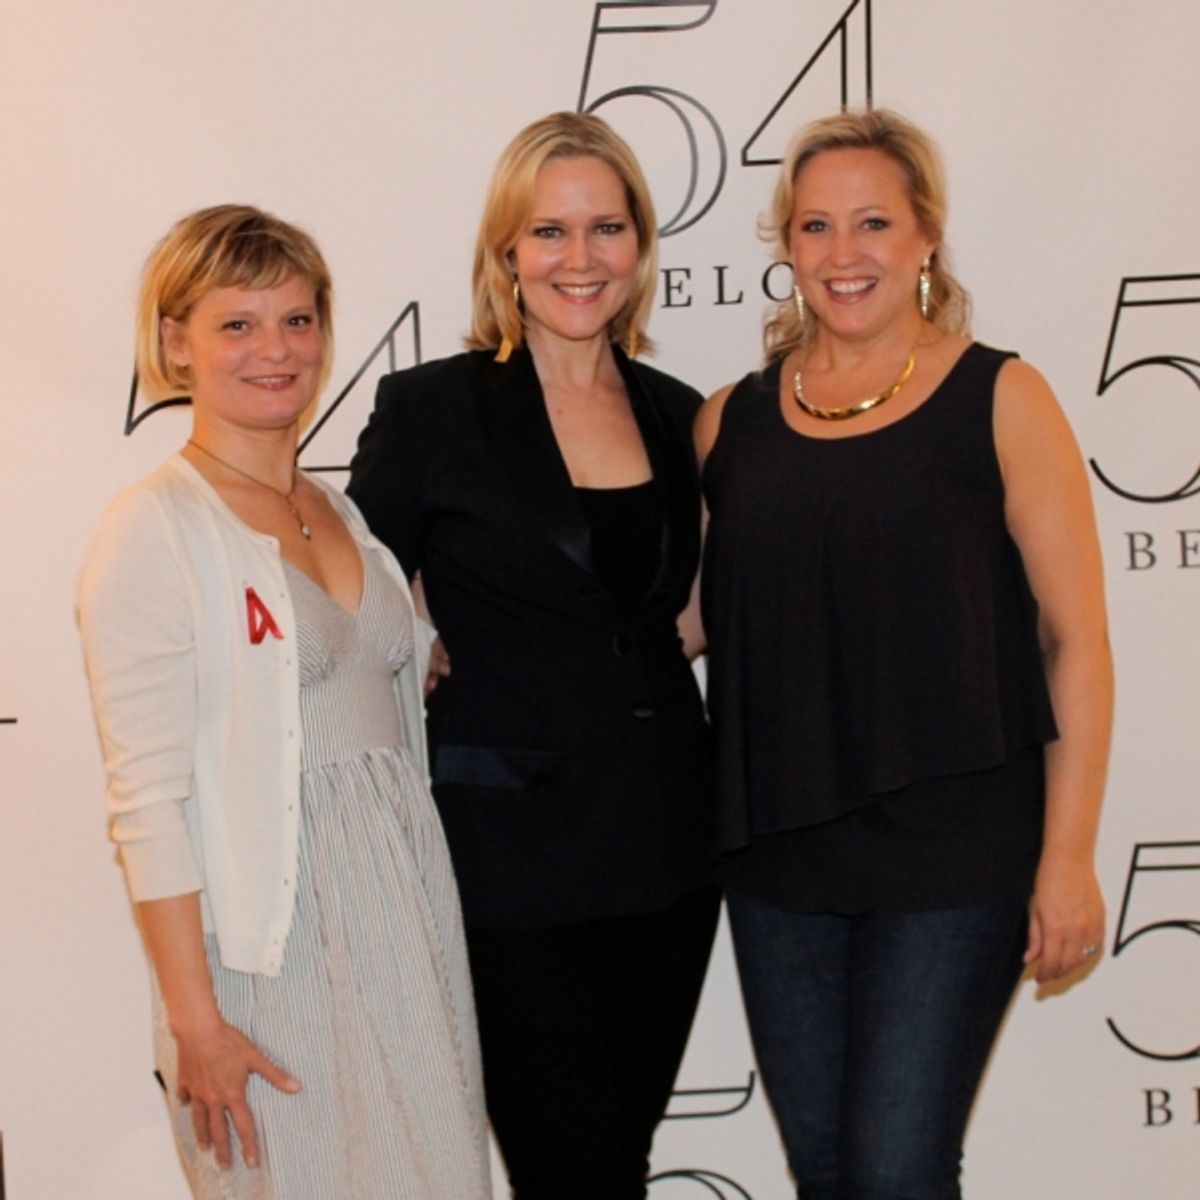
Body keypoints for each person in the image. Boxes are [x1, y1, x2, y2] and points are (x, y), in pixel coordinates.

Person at [695, 109, 1113, 1199]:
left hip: (956, 850)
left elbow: (1076, 641)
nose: (844, 255)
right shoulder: (726, 424)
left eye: (873, 222)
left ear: (926, 236)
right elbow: (690, 620)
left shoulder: (1003, 398)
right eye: (817, 226)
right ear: (786, 244)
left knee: (896, 1168)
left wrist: (1066, 858)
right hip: (780, 855)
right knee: (828, 1170)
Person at [77, 205, 490, 1200]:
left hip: (406, 929)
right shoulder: (155, 531)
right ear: (176, 342)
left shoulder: (341, 510)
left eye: (297, 321)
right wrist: (196, 1018)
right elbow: (146, 803)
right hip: (272, 954)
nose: (276, 350)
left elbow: (377, 677)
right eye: (237, 324)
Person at [347, 112, 720, 1199]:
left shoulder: (679, 414)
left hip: (665, 843)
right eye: (548, 231)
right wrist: (412, 637)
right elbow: (352, 591)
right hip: (506, 855)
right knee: (574, 1170)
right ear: (506, 251)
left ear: (641, 246)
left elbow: (681, 617)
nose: (579, 258)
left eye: (606, 227)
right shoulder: (432, 410)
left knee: (622, 1162)